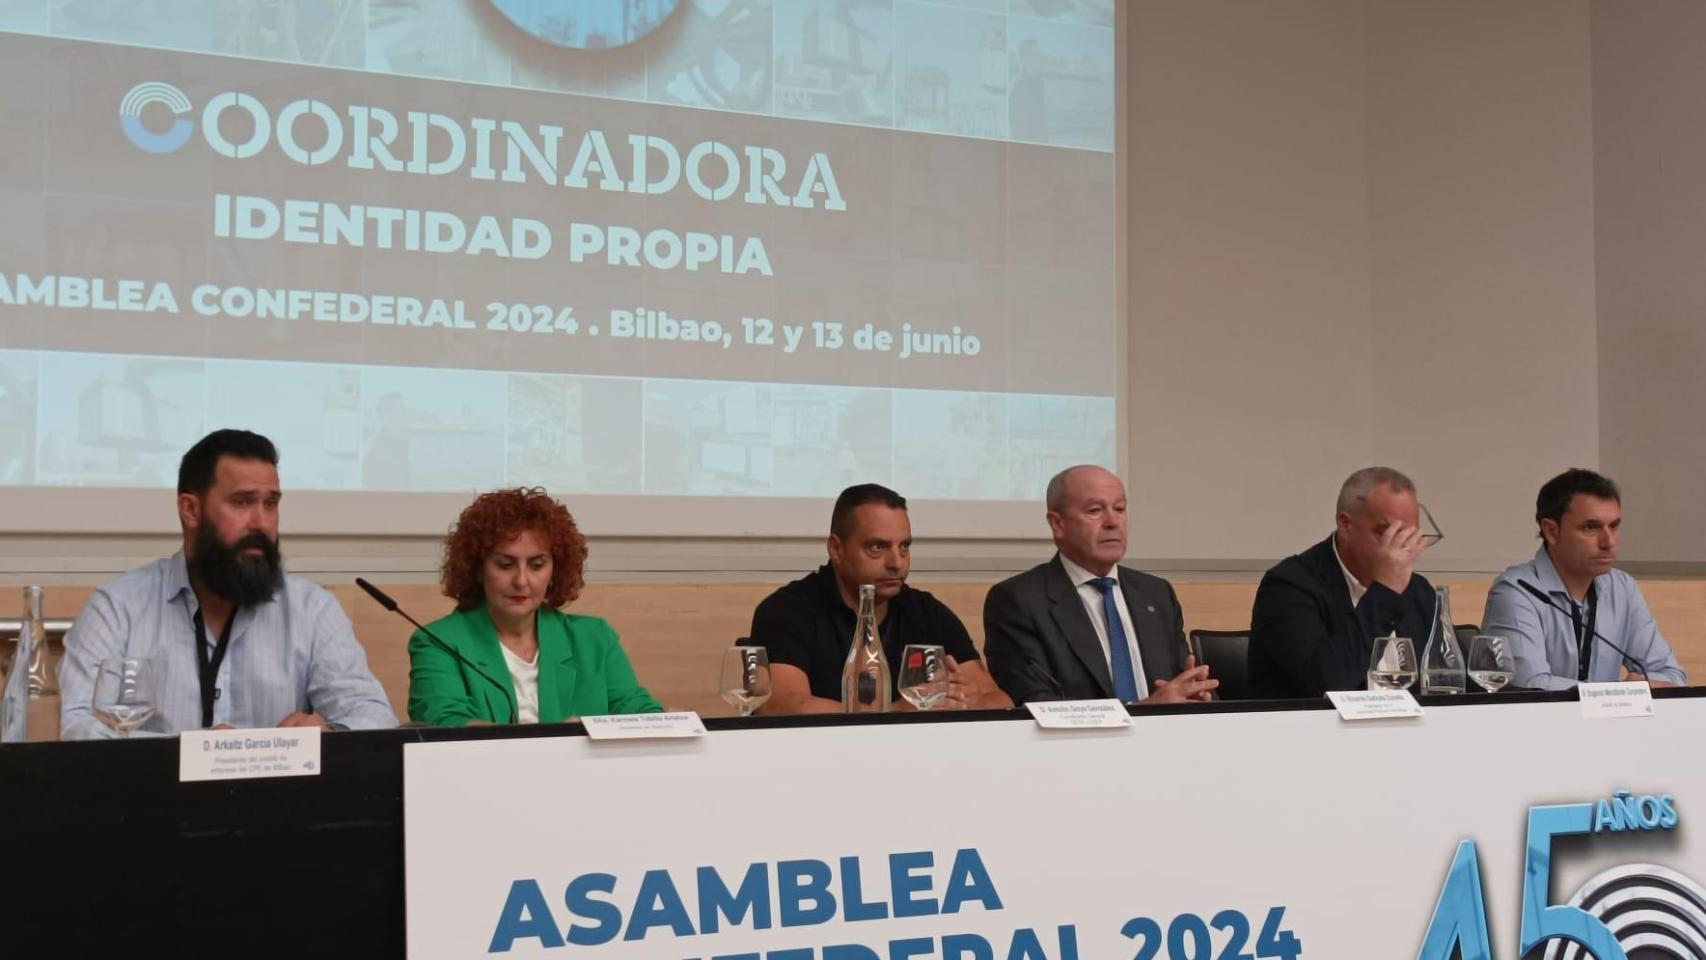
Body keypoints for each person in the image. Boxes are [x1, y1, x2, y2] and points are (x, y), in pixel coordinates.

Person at [58, 429, 395, 738]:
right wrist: (197, 753)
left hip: (279, 800)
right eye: (242, 502)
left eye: (271, 504)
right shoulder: (118, 608)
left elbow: (375, 715)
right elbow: (78, 726)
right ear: (190, 510)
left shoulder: (312, 610)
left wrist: (329, 731)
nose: (261, 522)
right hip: (156, 800)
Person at [749, 483, 1012, 714]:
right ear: (836, 548)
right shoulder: (787, 610)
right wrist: (896, 712)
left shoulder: (927, 612)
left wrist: (965, 700)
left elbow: (999, 700)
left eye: (904, 547)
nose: (897, 563)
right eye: (878, 547)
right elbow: (783, 706)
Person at [408, 488, 661, 726]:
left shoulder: (594, 638)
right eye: (505, 565)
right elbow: (446, 725)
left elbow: (635, 709)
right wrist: (559, 741)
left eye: (537, 565)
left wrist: (663, 723)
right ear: (478, 569)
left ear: (554, 571)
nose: (521, 581)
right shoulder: (438, 642)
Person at [983, 465, 1216, 704]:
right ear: (1057, 524)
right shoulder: (1018, 601)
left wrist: (1198, 696)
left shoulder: (1155, 593)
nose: (1112, 522)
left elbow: (1183, 681)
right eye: (1095, 511)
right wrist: (1145, 711)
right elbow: (1036, 702)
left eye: (1120, 509)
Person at [1481, 469, 1686, 689]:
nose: (1608, 542)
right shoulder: (1517, 591)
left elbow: (1672, 675)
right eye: (1591, 528)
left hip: (1612, 723)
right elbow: (1529, 685)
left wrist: (1629, 691)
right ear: (1551, 531)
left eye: (1614, 526)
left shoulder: (1622, 588)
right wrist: (1620, 693)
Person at [1248, 466, 1436, 698]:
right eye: (1387, 533)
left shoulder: (1419, 592)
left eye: (1410, 536)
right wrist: (1385, 593)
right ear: (1345, 525)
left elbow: (1439, 683)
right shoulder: (1289, 586)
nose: (1402, 548)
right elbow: (1325, 685)